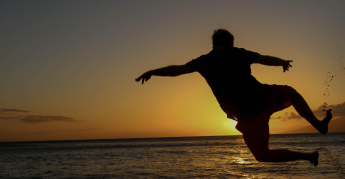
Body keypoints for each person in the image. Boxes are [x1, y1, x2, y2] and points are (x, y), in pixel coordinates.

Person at [135, 29, 332, 166]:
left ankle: (308, 157)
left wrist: (153, 71)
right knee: (293, 94)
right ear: (230, 42)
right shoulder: (238, 53)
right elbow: (264, 59)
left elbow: (176, 70)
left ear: (213, 44)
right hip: (265, 97)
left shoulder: (204, 61)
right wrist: (281, 61)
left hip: (249, 116)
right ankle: (318, 125)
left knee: (262, 155)